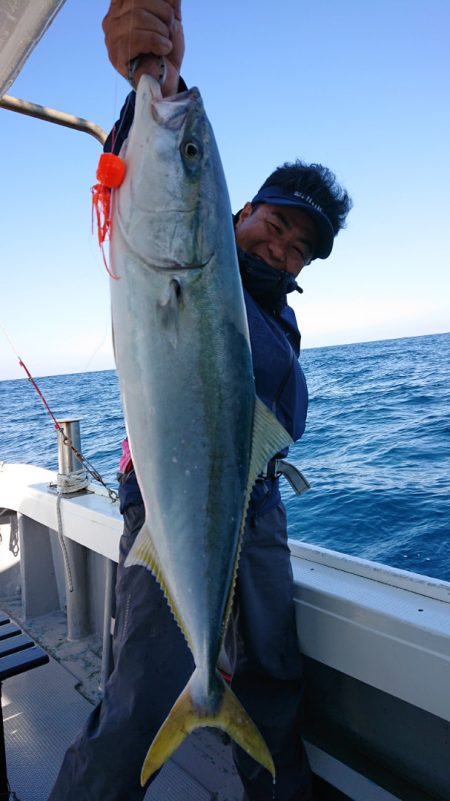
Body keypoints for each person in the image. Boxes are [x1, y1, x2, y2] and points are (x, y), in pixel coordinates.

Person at [48, 2, 352, 800]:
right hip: (168, 498)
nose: (281, 249)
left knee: (275, 685)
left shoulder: (275, 318)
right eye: (275, 225)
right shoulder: (192, 257)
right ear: (241, 209)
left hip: (254, 512)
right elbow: (144, 175)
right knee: (142, 697)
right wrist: (153, 76)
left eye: (299, 248)